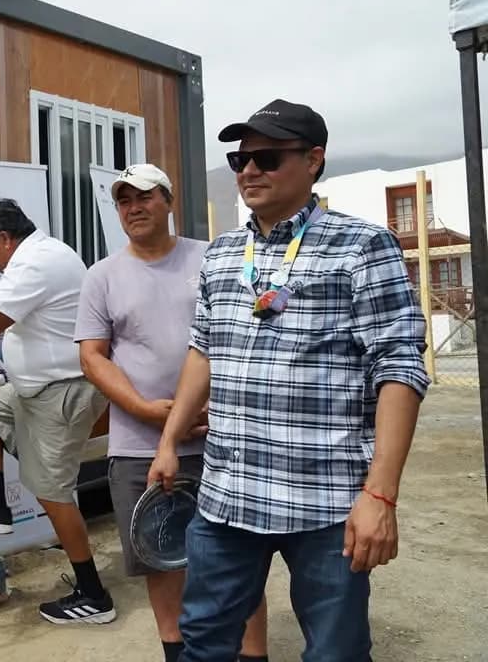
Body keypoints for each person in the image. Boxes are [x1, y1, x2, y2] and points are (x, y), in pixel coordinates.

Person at [148, 99, 430, 661]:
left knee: (335, 652)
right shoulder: (226, 253)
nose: (248, 171)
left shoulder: (362, 246)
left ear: (313, 161)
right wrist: (169, 441)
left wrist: (380, 494)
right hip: (228, 494)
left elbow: (398, 367)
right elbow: (204, 350)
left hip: (325, 501)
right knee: (203, 640)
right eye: (240, 158)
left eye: (267, 157)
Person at [75, 164, 269, 662]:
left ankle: (253, 655)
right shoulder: (102, 276)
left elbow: (257, 322)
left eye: (143, 197)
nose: (134, 208)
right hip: (139, 444)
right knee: (159, 559)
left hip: (221, 436)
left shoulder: (212, 259)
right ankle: (177, 654)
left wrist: (216, 400)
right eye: (123, 201)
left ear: (168, 200)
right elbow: (93, 355)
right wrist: (145, 408)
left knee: (237, 559)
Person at [0, 200, 114, 625]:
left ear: (5, 238)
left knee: (51, 491)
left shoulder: (36, 262)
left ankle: (94, 594)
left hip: (62, 390)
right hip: (34, 387)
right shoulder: (39, 255)